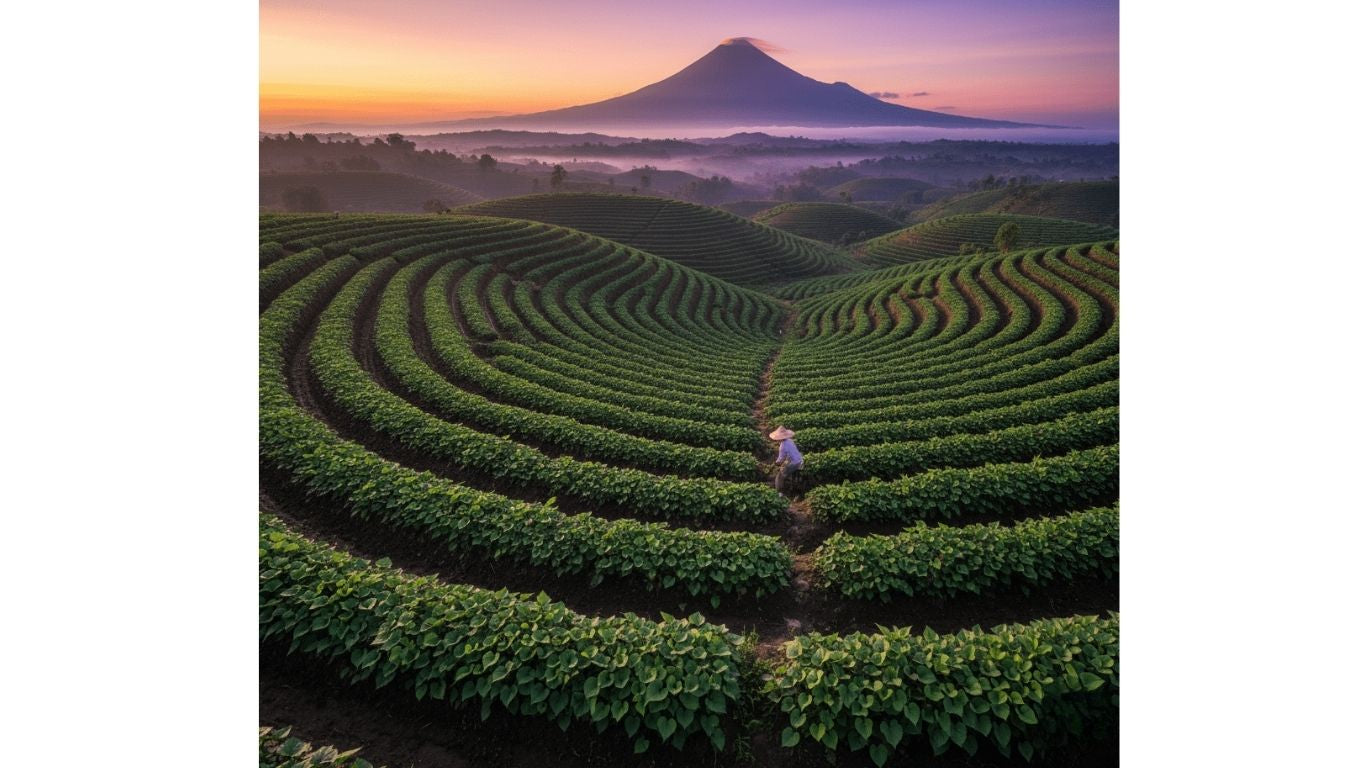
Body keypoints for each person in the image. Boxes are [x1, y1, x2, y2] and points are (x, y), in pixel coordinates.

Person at [770, 426, 803, 495]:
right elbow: (791, 453)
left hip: (794, 463)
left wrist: (776, 463)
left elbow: (781, 459)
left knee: (780, 476)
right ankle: (793, 488)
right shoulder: (790, 440)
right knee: (790, 470)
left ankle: (780, 493)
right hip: (800, 460)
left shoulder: (782, 446)